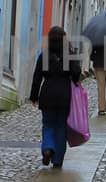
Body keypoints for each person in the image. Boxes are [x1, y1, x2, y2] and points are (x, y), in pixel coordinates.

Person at [30, 25, 82, 168]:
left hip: (47, 94)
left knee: (48, 125)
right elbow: (76, 74)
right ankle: (57, 160)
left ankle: (47, 148)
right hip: (64, 95)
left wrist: (34, 96)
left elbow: (37, 77)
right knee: (60, 127)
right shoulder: (69, 55)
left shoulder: (44, 55)